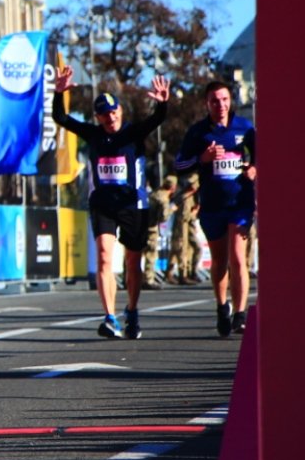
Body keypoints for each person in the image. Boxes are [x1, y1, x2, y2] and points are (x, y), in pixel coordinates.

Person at [52, 67, 169, 339]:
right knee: (105, 257)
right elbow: (60, 117)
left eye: (114, 111)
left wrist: (163, 103)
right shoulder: (93, 134)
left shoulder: (132, 134)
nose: (110, 117)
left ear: (121, 112)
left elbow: (156, 119)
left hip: (133, 205)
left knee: (132, 261)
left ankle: (132, 310)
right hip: (103, 205)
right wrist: (59, 93)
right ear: (97, 117)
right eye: (104, 114)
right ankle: (109, 317)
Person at [174, 81, 256, 337]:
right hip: (211, 206)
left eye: (224, 99)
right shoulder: (199, 132)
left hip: (240, 202)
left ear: (230, 100)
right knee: (219, 260)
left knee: (237, 256)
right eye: (214, 101)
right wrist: (203, 159)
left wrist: (254, 169)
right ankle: (223, 307)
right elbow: (179, 165)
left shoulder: (245, 127)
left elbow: (261, 155)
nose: (220, 105)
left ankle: (240, 314)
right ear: (206, 104)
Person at [143, 174, 178, 289]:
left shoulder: (154, 193)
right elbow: (163, 217)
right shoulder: (163, 198)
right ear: (173, 188)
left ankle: (128, 278)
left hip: (141, 225)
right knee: (151, 253)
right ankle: (148, 279)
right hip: (151, 228)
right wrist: (171, 209)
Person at [166, 173, 201, 286]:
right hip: (182, 219)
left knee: (193, 247)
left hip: (189, 219)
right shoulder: (182, 189)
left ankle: (189, 272)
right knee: (180, 247)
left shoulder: (191, 195)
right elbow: (180, 197)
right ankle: (181, 274)